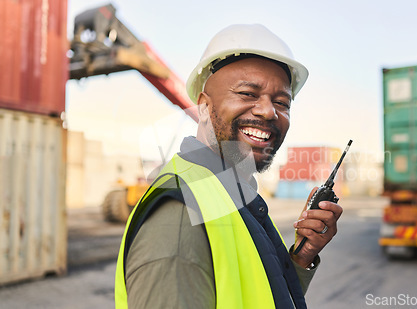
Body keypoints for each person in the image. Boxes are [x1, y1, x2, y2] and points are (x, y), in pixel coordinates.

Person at [115, 24, 343, 309]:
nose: (268, 111)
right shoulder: (180, 217)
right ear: (202, 108)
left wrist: (301, 256)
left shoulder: (233, 194)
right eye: (248, 93)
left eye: (282, 102)